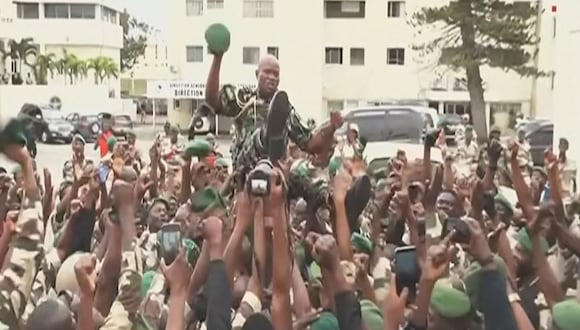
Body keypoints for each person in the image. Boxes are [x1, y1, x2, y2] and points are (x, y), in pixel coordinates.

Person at [202, 52, 342, 183]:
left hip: (276, 174)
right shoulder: (243, 98)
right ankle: (267, 135)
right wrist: (218, 57)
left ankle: (340, 201)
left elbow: (309, 143)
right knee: (259, 137)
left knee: (310, 180)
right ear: (257, 74)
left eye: (276, 74)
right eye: (267, 72)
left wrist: (331, 126)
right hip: (246, 170)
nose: (272, 77)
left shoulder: (285, 109)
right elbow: (212, 99)